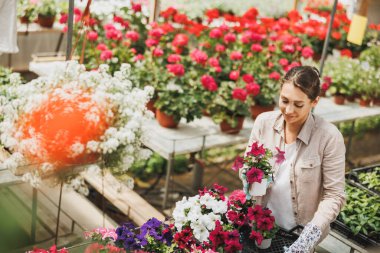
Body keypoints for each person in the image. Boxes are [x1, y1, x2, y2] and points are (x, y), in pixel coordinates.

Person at [241, 66, 346, 252]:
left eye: (298, 105)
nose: (288, 110)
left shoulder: (328, 137)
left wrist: (308, 238)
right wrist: (247, 177)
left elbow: (334, 195)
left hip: (298, 233)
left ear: (315, 102)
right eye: (284, 101)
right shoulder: (264, 123)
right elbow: (249, 165)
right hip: (259, 228)